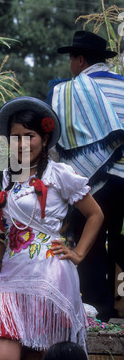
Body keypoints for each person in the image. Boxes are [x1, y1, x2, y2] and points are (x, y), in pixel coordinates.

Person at [0, 96, 104, 360]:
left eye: (30, 136)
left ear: (44, 138)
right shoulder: (8, 176)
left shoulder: (59, 174)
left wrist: (79, 254)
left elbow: (95, 214)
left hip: (49, 276)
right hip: (12, 278)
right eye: (16, 137)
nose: (23, 144)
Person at [48, 30, 124, 320]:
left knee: (87, 245)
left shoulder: (65, 92)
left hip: (90, 184)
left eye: (71, 59)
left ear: (80, 60)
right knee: (117, 240)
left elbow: (54, 143)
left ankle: (99, 312)